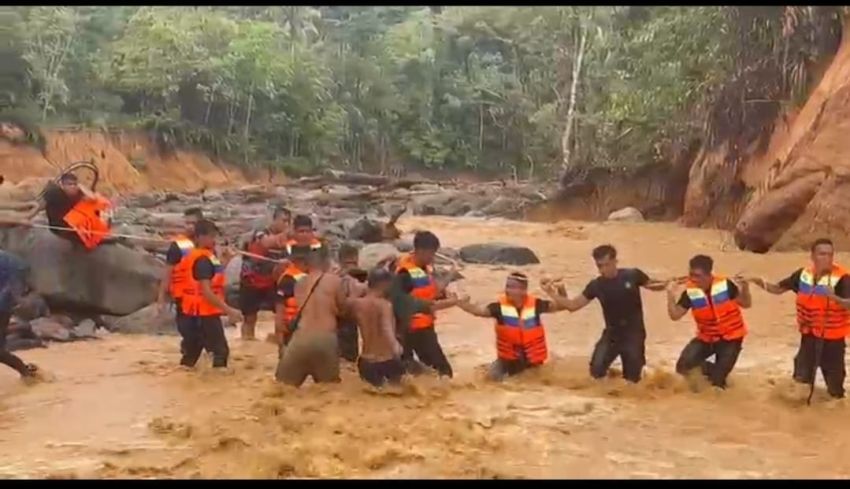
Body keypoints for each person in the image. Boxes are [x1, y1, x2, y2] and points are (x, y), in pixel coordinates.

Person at [749, 238, 850, 399]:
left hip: (832, 342)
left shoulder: (843, 278)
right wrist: (757, 281)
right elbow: (777, 289)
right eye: (822, 254)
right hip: (809, 338)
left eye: (830, 255)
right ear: (813, 256)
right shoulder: (802, 275)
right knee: (800, 386)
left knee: (835, 392)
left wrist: (834, 297)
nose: (827, 259)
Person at [553, 244, 668, 383]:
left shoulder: (632, 275)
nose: (603, 270)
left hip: (634, 334)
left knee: (632, 381)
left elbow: (653, 286)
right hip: (612, 334)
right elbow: (573, 306)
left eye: (606, 265)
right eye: (599, 266)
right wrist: (551, 292)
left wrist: (668, 284)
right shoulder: (596, 285)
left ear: (615, 261)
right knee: (596, 372)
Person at [456, 273, 571, 381]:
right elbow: (478, 311)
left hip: (533, 363)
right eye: (507, 286)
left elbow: (563, 305)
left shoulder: (536, 305)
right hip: (506, 363)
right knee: (490, 380)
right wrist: (462, 304)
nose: (507, 290)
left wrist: (561, 289)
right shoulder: (498, 307)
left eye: (512, 287)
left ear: (523, 290)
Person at [666, 255, 751, 389]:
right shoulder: (690, 291)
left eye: (697, 276)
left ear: (709, 275)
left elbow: (746, 303)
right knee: (682, 367)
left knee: (716, 383)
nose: (693, 279)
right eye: (691, 274)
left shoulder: (726, 285)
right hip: (706, 337)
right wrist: (670, 295)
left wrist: (745, 288)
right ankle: (712, 374)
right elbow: (675, 315)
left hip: (731, 338)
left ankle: (719, 376)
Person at [275, 246, 349, 387]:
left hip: (300, 339)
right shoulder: (334, 281)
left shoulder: (300, 284)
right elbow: (343, 309)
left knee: (283, 388)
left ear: (307, 265)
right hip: (325, 338)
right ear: (326, 263)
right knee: (329, 391)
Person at [395, 230, 461, 378]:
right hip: (411, 329)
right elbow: (403, 305)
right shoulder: (404, 274)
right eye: (432, 254)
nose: (433, 258)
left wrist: (450, 275)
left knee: (439, 373)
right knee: (442, 373)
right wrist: (452, 303)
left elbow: (432, 292)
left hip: (424, 327)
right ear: (420, 251)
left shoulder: (422, 268)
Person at [178, 219, 242, 369]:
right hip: (204, 314)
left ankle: (188, 384)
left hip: (193, 313)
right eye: (211, 237)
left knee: (191, 355)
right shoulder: (202, 260)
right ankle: (218, 386)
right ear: (200, 237)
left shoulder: (204, 256)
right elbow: (207, 291)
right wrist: (229, 310)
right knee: (220, 352)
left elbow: (214, 277)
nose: (215, 241)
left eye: (215, 237)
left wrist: (227, 259)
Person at [347, 268, 413, 388]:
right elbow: (386, 328)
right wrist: (396, 346)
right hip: (386, 362)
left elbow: (348, 301)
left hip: (365, 363)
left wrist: (362, 288)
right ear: (384, 284)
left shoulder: (357, 304)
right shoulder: (385, 305)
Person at [239, 206, 290, 340]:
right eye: (284, 221)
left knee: (281, 316)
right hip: (252, 281)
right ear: (274, 220)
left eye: (288, 222)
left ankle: (277, 342)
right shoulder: (260, 232)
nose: (286, 224)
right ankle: (247, 344)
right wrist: (288, 234)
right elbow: (266, 243)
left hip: (273, 281)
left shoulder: (289, 241)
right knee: (250, 318)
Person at [30, 173, 112, 250]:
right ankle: (94, 239)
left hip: (75, 222)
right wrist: (29, 217)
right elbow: (39, 206)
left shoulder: (77, 191)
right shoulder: (54, 193)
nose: (73, 187)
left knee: (96, 203)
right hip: (61, 226)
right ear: (62, 185)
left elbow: (93, 198)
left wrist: (80, 186)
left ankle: (99, 232)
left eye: (74, 184)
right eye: (69, 184)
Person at [157, 208, 203, 324]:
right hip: (183, 298)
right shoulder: (177, 246)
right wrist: (161, 299)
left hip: (204, 298)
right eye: (187, 223)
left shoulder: (208, 244)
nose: (189, 227)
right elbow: (167, 273)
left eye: (193, 223)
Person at [0, 251, 39, 382]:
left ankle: (27, 373)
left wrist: (16, 298)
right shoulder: (12, 260)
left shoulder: (8, 261)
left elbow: (12, 289)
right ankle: (27, 372)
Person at [274, 245, 310, 348]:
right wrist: (279, 333)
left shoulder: (313, 275)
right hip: (292, 326)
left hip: (309, 327)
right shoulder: (287, 279)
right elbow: (280, 307)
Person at [337, 243, 367, 362]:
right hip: (344, 325)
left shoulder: (331, 277)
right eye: (349, 264)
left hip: (344, 326)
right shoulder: (356, 280)